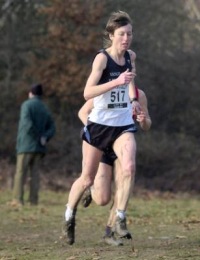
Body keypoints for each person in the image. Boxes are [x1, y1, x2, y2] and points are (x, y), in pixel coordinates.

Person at [64, 10, 141, 245]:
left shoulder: (131, 56)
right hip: (99, 126)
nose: (126, 38)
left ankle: (120, 218)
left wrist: (134, 99)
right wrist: (115, 82)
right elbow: (87, 92)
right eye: (121, 34)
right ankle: (69, 215)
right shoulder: (102, 59)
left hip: (122, 125)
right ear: (111, 35)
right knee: (86, 179)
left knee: (128, 166)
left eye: (129, 34)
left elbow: (131, 83)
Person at [79, 87, 151, 246]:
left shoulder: (140, 95)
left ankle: (109, 231)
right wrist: (95, 132)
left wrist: (143, 120)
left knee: (124, 181)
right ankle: (90, 188)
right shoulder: (108, 89)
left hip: (123, 146)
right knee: (102, 199)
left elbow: (147, 125)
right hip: (102, 145)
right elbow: (83, 112)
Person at [12, 83, 55, 206]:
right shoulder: (44, 108)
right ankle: (33, 201)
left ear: (31, 93)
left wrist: (37, 136)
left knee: (20, 173)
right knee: (35, 175)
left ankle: (17, 200)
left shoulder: (26, 105)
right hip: (39, 147)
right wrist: (44, 137)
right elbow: (52, 127)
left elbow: (27, 124)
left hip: (26, 145)